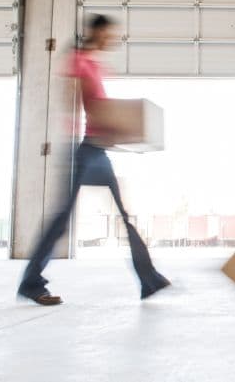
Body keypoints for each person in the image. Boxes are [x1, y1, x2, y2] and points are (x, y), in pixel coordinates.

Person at [17, 15, 170, 306]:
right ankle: (30, 282)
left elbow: (101, 111)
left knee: (124, 214)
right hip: (83, 151)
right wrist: (78, 140)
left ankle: (148, 279)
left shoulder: (97, 66)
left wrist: (118, 133)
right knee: (62, 219)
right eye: (109, 34)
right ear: (96, 32)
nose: (112, 39)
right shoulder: (78, 61)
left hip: (97, 149)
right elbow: (76, 105)